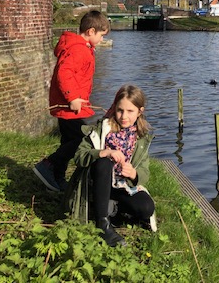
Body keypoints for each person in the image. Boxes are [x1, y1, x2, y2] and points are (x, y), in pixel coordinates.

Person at [64, 84, 156, 247]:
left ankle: (111, 209)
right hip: (97, 181)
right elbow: (79, 156)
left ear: (140, 111)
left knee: (146, 208)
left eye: (130, 111)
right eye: (120, 110)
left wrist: (134, 174)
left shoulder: (141, 137)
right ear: (114, 107)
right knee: (104, 163)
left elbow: (145, 171)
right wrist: (103, 152)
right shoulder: (102, 129)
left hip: (122, 185)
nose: (123, 116)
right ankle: (103, 224)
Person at [33, 10, 110, 193]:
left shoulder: (82, 48)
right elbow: (64, 73)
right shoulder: (78, 49)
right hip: (69, 106)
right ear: (91, 31)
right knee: (82, 139)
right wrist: (72, 97)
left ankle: (57, 177)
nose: (102, 40)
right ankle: (49, 164)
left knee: (68, 140)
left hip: (71, 105)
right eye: (101, 35)